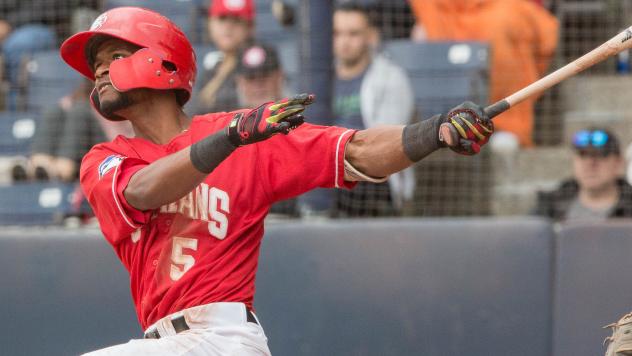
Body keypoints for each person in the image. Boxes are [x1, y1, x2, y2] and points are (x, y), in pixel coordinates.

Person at [60, 7, 493, 355]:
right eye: (95, 65)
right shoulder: (108, 158)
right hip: (165, 342)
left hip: (224, 339)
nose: (98, 73)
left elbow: (354, 150)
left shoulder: (244, 133)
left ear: (163, 60)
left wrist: (434, 132)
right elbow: (142, 191)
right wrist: (230, 139)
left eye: (114, 58)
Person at [408, 0, 558, 147]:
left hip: (503, 7)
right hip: (453, 8)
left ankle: (505, 124)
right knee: (425, 31)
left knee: (500, 25)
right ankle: (441, 122)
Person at [332, 2, 416, 216]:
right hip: (327, 171)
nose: (344, 42)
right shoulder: (320, 78)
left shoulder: (390, 77)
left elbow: (388, 145)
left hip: (372, 179)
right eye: (337, 33)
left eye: (353, 34)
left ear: (370, 35)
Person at [12, 79, 132, 182]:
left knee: (80, 112)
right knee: (54, 113)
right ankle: (39, 164)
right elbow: (63, 107)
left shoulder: (123, 94)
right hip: (83, 149)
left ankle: (61, 169)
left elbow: (128, 137)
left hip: (113, 150)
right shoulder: (82, 94)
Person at [533, 128, 632, 221]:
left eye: (600, 155)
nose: (590, 164)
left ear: (618, 162)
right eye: (583, 155)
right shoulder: (549, 207)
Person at [191, 0, 255, 114]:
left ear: (249, 27)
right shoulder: (213, 67)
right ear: (210, 23)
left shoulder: (257, 64)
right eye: (222, 18)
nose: (228, 26)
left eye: (236, 20)